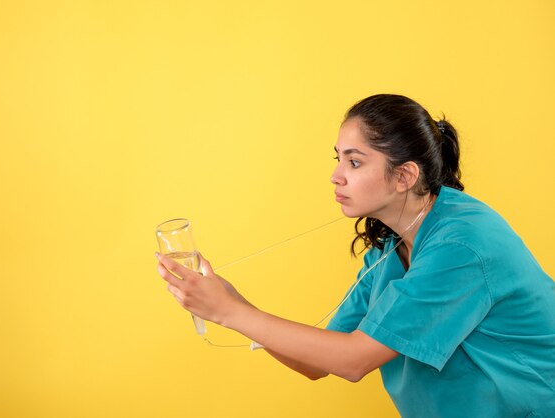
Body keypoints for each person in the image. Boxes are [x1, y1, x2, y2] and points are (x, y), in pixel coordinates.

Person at [155, 94, 555, 417]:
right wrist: (231, 301)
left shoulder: (462, 245)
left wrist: (229, 311)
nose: (336, 175)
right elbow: (320, 361)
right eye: (338, 159)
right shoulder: (389, 249)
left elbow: (354, 360)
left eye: (355, 161)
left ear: (404, 176)